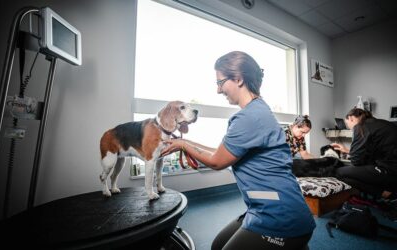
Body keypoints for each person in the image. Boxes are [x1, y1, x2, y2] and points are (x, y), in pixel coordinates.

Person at [161, 51, 315, 250]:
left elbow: (217, 162)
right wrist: (187, 142)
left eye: (220, 82)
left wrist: (183, 145)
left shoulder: (249, 117)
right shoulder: (257, 110)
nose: (218, 90)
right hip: (262, 208)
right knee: (217, 245)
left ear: (239, 79)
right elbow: (222, 153)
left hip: (280, 216)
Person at [331, 108, 397, 200]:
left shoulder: (360, 126)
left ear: (351, 118)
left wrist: (352, 154)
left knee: (338, 172)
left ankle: (384, 193)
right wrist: (347, 150)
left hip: (390, 173)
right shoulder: (380, 123)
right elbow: (373, 152)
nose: (349, 127)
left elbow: (356, 162)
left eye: (347, 124)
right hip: (391, 170)